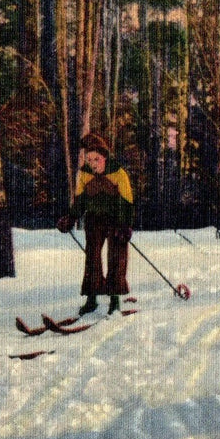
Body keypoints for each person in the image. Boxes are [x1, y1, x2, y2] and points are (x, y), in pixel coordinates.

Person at [57, 134, 134, 315]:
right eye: (89, 159)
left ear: (104, 157)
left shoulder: (118, 173)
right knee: (92, 257)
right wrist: (71, 218)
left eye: (96, 159)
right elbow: (80, 200)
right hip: (94, 219)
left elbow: (127, 202)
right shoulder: (84, 174)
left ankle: (114, 300)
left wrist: (125, 225)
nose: (92, 163)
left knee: (116, 256)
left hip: (115, 221)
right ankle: (92, 299)